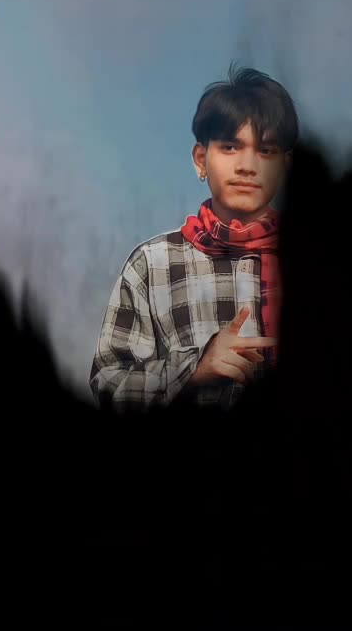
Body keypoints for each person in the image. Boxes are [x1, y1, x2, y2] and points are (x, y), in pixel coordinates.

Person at [89, 63, 298, 411]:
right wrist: (193, 370)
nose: (247, 166)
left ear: (285, 165)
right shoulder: (153, 265)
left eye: (265, 151)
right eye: (230, 147)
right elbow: (107, 383)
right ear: (201, 160)